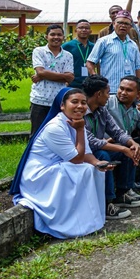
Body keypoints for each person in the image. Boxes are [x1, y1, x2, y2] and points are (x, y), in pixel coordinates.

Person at [11, 88, 110, 239]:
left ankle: (88, 220)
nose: (80, 106)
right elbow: (77, 159)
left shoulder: (77, 122)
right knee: (83, 170)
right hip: (40, 176)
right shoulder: (54, 128)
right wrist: (80, 130)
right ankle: (69, 223)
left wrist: (98, 163)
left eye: (83, 103)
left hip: (58, 167)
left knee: (94, 169)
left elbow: (86, 153)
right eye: (74, 102)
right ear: (62, 106)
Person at [82, 75, 140, 218]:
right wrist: (122, 148)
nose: (109, 96)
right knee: (104, 156)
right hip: (81, 153)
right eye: (107, 92)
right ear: (98, 94)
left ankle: (123, 193)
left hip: (96, 150)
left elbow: (117, 132)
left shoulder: (101, 110)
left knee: (127, 151)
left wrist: (132, 144)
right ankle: (106, 203)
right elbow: (90, 141)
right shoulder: (80, 110)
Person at [106, 76, 140, 196]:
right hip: (107, 143)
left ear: (138, 94)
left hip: (126, 142)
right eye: (121, 88)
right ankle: (124, 190)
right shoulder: (108, 102)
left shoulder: (138, 108)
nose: (123, 93)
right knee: (129, 149)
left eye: (129, 90)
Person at [30, 25, 75, 136]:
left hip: (59, 101)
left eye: (59, 35)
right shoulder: (39, 51)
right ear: (46, 37)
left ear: (63, 37)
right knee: (37, 133)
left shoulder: (68, 55)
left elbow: (70, 77)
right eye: (52, 34)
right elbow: (41, 72)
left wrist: (44, 75)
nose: (56, 37)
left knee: (59, 133)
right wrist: (62, 76)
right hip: (40, 100)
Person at [87, 10, 140, 94]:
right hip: (109, 90)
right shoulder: (104, 41)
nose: (123, 26)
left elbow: (139, 67)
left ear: (130, 27)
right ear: (114, 24)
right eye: (120, 23)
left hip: (129, 91)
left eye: (126, 24)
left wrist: (138, 88)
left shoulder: (133, 45)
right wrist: (97, 81)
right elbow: (90, 63)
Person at [63, 19, 94, 88]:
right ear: (75, 30)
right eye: (81, 28)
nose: (84, 30)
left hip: (89, 84)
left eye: (86, 28)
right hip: (72, 83)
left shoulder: (93, 47)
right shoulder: (67, 46)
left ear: (90, 31)